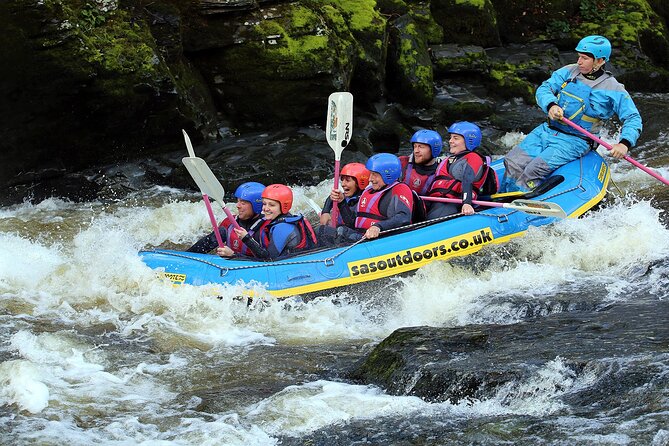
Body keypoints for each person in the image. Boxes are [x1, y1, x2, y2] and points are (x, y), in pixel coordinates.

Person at [500, 35, 642, 192]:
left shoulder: (614, 89)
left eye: (585, 58)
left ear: (600, 61)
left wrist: (624, 143)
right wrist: (551, 105)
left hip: (576, 140)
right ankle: (502, 196)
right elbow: (544, 88)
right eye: (579, 56)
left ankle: (520, 204)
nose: (579, 61)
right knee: (512, 162)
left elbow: (633, 118)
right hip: (547, 130)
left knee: (534, 170)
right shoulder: (568, 71)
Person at [426, 122, 497, 219]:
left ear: (469, 141)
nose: (450, 141)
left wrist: (467, 203)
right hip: (435, 201)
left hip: (451, 203)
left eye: (456, 138)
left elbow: (467, 179)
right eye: (450, 137)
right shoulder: (449, 160)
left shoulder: (474, 157)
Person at [338, 153, 414, 241]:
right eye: (371, 174)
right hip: (360, 238)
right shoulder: (368, 190)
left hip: (380, 241)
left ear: (387, 174)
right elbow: (353, 223)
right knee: (325, 230)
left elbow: (403, 217)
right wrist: (342, 202)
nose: (370, 179)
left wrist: (378, 227)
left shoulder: (400, 189)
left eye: (374, 174)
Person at [233, 184, 318, 260]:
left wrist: (246, 239)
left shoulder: (283, 227)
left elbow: (268, 260)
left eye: (272, 205)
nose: (265, 208)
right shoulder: (281, 221)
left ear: (284, 206)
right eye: (264, 203)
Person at [187, 181, 265, 257]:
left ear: (257, 205)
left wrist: (234, 255)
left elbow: (269, 260)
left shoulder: (267, 228)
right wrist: (185, 256)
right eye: (238, 201)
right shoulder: (229, 223)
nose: (237, 205)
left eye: (243, 203)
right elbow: (204, 246)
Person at [320, 162, 370, 228]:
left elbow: (352, 224)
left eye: (347, 180)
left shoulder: (365, 202)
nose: (343, 184)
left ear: (359, 183)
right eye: (342, 179)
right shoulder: (347, 196)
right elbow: (331, 198)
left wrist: (342, 202)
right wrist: (325, 212)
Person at [399, 129, 443, 195]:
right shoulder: (401, 163)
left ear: (434, 149)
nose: (416, 151)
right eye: (415, 146)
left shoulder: (442, 172)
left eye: (421, 147)